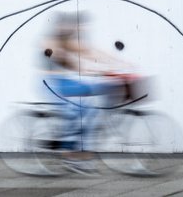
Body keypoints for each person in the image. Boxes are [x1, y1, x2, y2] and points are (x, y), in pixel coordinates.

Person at [40, 12, 127, 174]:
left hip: (63, 82)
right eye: (69, 26)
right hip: (50, 83)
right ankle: (69, 155)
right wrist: (86, 68)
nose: (73, 29)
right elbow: (59, 57)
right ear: (60, 27)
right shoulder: (51, 40)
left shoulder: (67, 42)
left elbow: (91, 52)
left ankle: (81, 154)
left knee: (90, 108)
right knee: (75, 111)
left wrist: (119, 63)